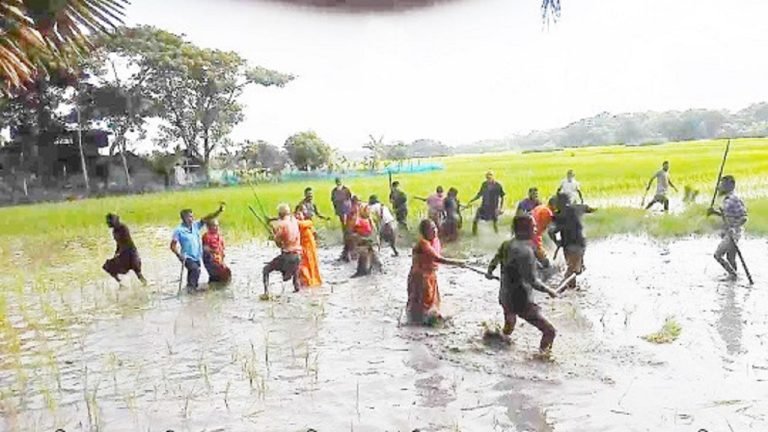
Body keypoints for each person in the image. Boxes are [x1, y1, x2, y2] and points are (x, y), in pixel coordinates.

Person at [486, 216, 558, 353]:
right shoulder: (526, 252)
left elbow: (495, 260)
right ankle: (542, 359)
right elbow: (533, 281)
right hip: (521, 300)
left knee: (509, 326)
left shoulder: (506, 244)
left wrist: (489, 272)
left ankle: (498, 347)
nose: (536, 229)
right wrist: (550, 290)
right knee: (550, 331)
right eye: (534, 226)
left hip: (505, 296)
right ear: (525, 230)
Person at [407, 219, 466, 325]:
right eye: (431, 229)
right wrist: (458, 263)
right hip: (421, 278)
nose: (435, 231)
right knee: (423, 302)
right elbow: (437, 258)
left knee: (431, 302)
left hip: (430, 276)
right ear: (425, 232)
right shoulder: (423, 243)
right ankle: (421, 321)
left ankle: (426, 319)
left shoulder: (433, 241)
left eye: (435, 228)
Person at [170, 204, 225, 292]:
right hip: (186, 256)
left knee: (195, 273)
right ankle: (191, 291)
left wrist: (218, 211)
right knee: (195, 269)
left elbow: (207, 218)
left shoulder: (195, 226)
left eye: (192, 216)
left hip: (196, 256)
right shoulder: (179, 230)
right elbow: (172, 246)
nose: (192, 218)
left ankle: (190, 289)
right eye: (189, 217)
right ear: (184, 218)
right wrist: (179, 255)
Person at [549, 194, 596, 291]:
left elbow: (551, 231)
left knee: (571, 269)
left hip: (568, 245)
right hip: (580, 243)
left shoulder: (558, 216)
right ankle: (562, 289)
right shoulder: (576, 208)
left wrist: (557, 242)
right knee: (573, 270)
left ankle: (567, 289)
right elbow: (587, 208)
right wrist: (592, 209)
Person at [707, 175, 747, 279]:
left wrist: (733, 228)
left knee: (717, 255)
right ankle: (733, 278)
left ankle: (733, 275)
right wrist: (714, 212)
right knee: (730, 258)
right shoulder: (727, 199)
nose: (720, 186)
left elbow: (744, 217)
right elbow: (728, 215)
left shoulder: (734, 199)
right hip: (729, 232)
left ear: (731, 185)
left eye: (723, 184)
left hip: (734, 233)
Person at [264, 204, 302, 294]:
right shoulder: (294, 221)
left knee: (266, 270)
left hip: (287, 256)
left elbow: (278, 243)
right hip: (298, 256)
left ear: (280, 214)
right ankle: (297, 289)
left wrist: (273, 236)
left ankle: (266, 292)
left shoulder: (281, 225)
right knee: (295, 274)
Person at [103, 213, 147, 285]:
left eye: (109, 221)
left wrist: (119, 253)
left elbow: (127, 243)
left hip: (131, 253)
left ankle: (145, 283)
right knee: (107, 266)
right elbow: (118, 244)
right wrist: (116, 253)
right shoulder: (114, 231)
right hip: (123, 253)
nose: (108, 223)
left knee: (137, 272)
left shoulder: (123, 228)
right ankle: (121, 284)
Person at [351, 205, 382, 277]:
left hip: (369, 243)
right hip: (367, 243)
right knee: (368, 261)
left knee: (373, 261)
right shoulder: (361, 221)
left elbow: (373, 233)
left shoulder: (367, 221)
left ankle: (369, 271)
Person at [295, 209, 322, 288]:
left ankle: (313, 282)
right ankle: (306, 282)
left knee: (312, 266)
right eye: (296, 214)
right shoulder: (295, 225)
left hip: (311, 249)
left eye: (300, 214)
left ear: (303, 215)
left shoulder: (307, 223)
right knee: (303, 267)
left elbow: (304, 225)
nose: (298, 216)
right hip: (302, 249)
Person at [202, 218, 232, 284]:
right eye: (214, 226)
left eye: (217, 226)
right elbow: (205, 249)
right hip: (211, 260)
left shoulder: (219, 236)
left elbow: (222, 249)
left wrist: (222, 256)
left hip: (219, 259)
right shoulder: (207, 236)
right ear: (209, 227)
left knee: (226, 274)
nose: (216, 228)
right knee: (218, 275)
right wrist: (214, 252)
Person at [531, 197, 557, 268]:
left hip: (526, 236)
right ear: (554, 205)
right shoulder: (548, 213)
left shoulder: (539, 207)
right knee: (546, 263)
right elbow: (550, 231)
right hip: (533, 239)